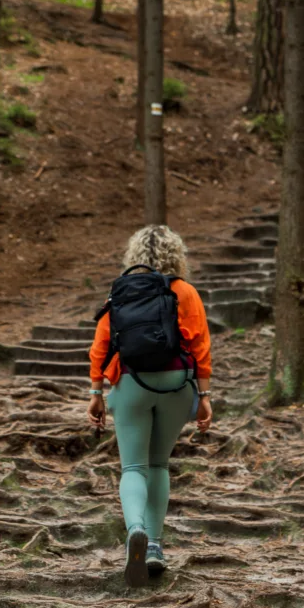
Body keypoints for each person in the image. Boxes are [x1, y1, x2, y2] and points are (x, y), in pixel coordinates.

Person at [87, 225, 213, 587]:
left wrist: (96, 391)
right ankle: (155, 545)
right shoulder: (186, 291)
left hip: (131, 384)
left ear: (134, 256)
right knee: (159, 465)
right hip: (177, 386)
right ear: (177, 255)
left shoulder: (121, 291)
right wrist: (204, 398)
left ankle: (135, 530)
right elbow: (200, 347)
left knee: (133, 467)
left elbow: (101, 345)